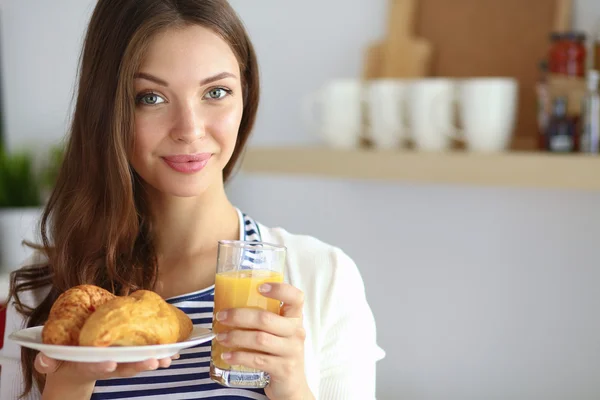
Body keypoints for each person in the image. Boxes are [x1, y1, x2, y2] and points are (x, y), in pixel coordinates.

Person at [0, 0, 385, 399]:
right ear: (108, 109)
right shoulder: (44, 290)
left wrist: (292, 387)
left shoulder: (321, 276)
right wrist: (70, 381)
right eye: (150, 97)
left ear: (245, 96)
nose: (190, 129)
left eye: (215, 92)